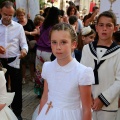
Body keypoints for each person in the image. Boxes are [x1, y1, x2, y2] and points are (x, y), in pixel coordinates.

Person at [35, 22, 94, 120]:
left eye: (63, 42)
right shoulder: (47, 67)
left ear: (74, 44)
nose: (58, 47)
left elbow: (86, 109)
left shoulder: (82, 72)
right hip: (48, 114)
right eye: (54, 42)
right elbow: (45, 96)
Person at [80, 11, 120, 120]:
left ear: (115, 29)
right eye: (101, 25)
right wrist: (88, 96)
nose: (104, 29)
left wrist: (102, 99)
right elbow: (82, 74)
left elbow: (119, 81)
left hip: (109, 105)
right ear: (96, 27)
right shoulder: (87, 49)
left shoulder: (118, 53)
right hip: (88, 102)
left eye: (109, 25)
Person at [0, 1, 28, 120]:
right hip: (0, 62)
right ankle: (3, 114)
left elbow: (24, 44)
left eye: (10, 15)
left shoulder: (18, 27)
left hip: (15, 60)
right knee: (2, 88)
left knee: (17, 89)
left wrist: (24, 51)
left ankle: (17, 114)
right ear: (0, 11)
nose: (7, 17)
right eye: (5, 14)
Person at [34, 6, 61, 98]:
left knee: (39, 71)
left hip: (39, 51)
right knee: (49, 72)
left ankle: (39, 92)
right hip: (49, 51)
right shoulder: (56, 26)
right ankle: (48, 92)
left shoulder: (44, 24)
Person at [16, 8, 39, 84]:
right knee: (23, 63)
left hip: (31, 45)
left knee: (32, 62)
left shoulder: (29, 22)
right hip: (21, 45)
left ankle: (32, 77)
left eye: (21, 15)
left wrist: (28, 33)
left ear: (24, 15)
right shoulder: (16, 24)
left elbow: (36, 31)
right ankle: (23, 77)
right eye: (18, 15)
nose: (20, 17)